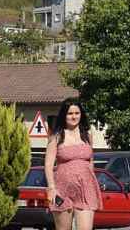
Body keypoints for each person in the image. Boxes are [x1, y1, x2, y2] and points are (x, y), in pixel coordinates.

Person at [44, 98, 102, 230]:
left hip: (85, 190)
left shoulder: (87, 135)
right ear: (64, 115)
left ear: (81, 115)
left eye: (77, 113)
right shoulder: (56, 137)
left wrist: (90, 179)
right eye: (70, 113)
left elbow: (90, 161)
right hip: (62, 190)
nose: (74, 116)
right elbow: (48, 165)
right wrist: (52, 188)